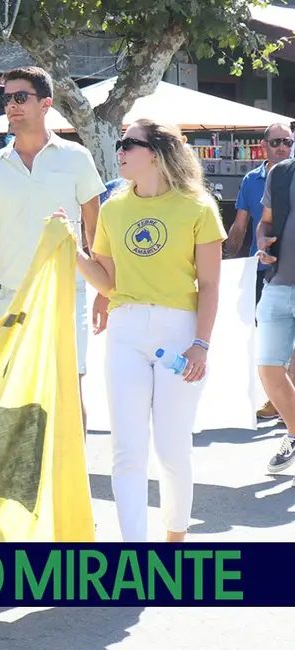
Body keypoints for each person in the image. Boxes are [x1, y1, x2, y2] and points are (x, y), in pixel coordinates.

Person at [74, 119, 223, 542]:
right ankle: (135, 552)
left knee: (172, 447)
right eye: (119, 143)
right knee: (127, 450)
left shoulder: (197, 207)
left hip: (180, 332)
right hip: (125, 330)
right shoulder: (114, 208)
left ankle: (174, 537)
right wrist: (72, 250)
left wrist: (201, 343)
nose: (119, 150)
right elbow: (109, 284)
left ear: (155, 153)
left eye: (128, 143)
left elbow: (210, 284)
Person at [0, 66, 105, 431]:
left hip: (67, 294)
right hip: (11, 296)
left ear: (46, 104)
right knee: (13, 397)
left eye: (21, 97)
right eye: (7, 98)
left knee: (68, 391)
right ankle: (23, 486)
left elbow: (96, 231)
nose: (12, 105)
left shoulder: (76, 157)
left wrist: (106, 290)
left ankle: (71, 484)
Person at [229, 122, 294, 421]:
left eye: (288, 142)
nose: (283, 146)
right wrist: (253, 245)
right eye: (277, 141)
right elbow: (251, 222)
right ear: (265, 145)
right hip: (271, 274)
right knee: (267, 357)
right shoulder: (269, 177)